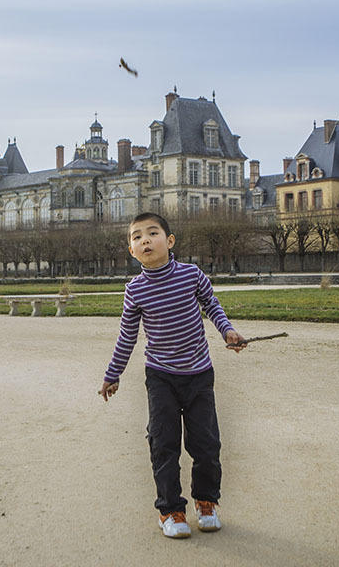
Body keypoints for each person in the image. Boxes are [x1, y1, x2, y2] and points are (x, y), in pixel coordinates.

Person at [99, 212, 246, 539]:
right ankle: (171, 510)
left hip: (198, 374)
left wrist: (228, 332)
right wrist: (113, 374)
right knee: (163, 444)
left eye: (152, 233)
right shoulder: (134, 290)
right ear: (131, 250)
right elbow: (127, 336)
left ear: (170, 241)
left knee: (206, 444)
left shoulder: (192, 275)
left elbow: (213, 306)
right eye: (137, 237)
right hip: (161, 377)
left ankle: (206, 502)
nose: (145, 240)